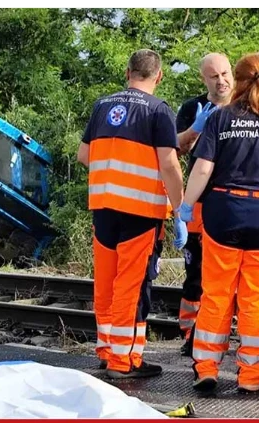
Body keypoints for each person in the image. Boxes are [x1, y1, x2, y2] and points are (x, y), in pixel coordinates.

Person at [77, 49, 186, 379]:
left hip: (104, 208)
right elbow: (168, 164)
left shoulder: (101, 105)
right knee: (131, 286)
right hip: (140, 211)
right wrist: (180, 208)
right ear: (159, 76)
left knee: (107, 284)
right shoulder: (159, 110)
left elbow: (84, 156)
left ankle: (108, 350)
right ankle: (124, 363)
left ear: (128, 73)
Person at [176, 53, 259, 392]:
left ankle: (207, 368)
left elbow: (203, 169)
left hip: (222, 214)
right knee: (254, 299)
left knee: (216, 294)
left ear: (237, 81)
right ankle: (251, 377)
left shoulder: (220, 118)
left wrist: (184, 207)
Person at [174, 53, 234, 356]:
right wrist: (197, 128)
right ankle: (191, 334)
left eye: (225, 73)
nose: (221, 81)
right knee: (196, 274)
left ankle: (224, 332)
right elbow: (176, 150)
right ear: (204, 78)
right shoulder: (192, 108)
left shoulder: (247, 105)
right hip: (200, 202)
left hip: (236, 202)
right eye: (214, 76)